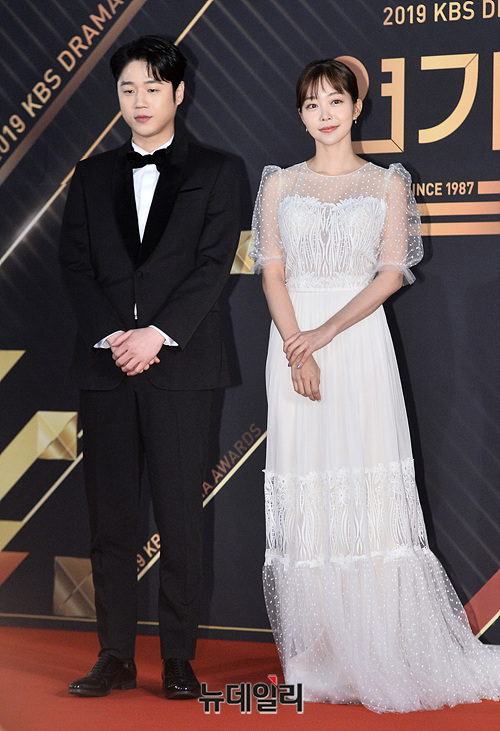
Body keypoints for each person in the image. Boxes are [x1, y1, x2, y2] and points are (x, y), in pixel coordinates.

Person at [251, 58, 500, 713]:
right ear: (301, 115)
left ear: (357, 106)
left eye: (335, 100)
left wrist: (325, 333)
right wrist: (297, 345)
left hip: (357, 344)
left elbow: (391, 273)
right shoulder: (279, 183)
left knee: (364, 486)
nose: (324, 114)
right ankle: (322, 655)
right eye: (312, 104)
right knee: (308, 483)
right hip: (292, 343)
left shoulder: (388, 183)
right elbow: (271, 272)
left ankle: (379, 647)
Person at [59, 35, 240, 699]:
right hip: (107, 368)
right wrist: (117, 336)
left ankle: (178, 657)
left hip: (180, 369)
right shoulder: (90, 175)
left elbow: (213, 265)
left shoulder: (218, 171)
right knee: (109, 520)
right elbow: (74, 266)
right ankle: (113, 654)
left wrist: (157, 336)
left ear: (178, 93)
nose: (140, 100)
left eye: (153, 88)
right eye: (128, 88)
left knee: (180, 518)